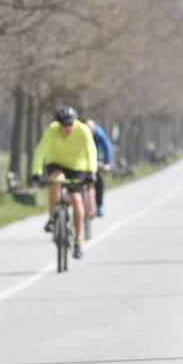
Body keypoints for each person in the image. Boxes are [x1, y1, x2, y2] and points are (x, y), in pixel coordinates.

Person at [32, 106, 97, 260]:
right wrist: (36, 172)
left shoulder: (83, 130)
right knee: (57, 180)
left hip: (77, 166)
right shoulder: (52, 130)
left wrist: (91, 172)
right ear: (59, 123)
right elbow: (40, 151)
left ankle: (77, 241)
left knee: (76, 200)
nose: (67, 128)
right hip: (57, 164)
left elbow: (91, 152)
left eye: (70, 124)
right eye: (64, 125)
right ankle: (53, 218)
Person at [85, 119, 113, 217]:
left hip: (96, 156)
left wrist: (108, 163)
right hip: (82, 157)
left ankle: (99, 205)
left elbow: (107, 148)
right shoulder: (80, 133)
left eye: (91, 130)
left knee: (99, 177)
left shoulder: (99, 133)